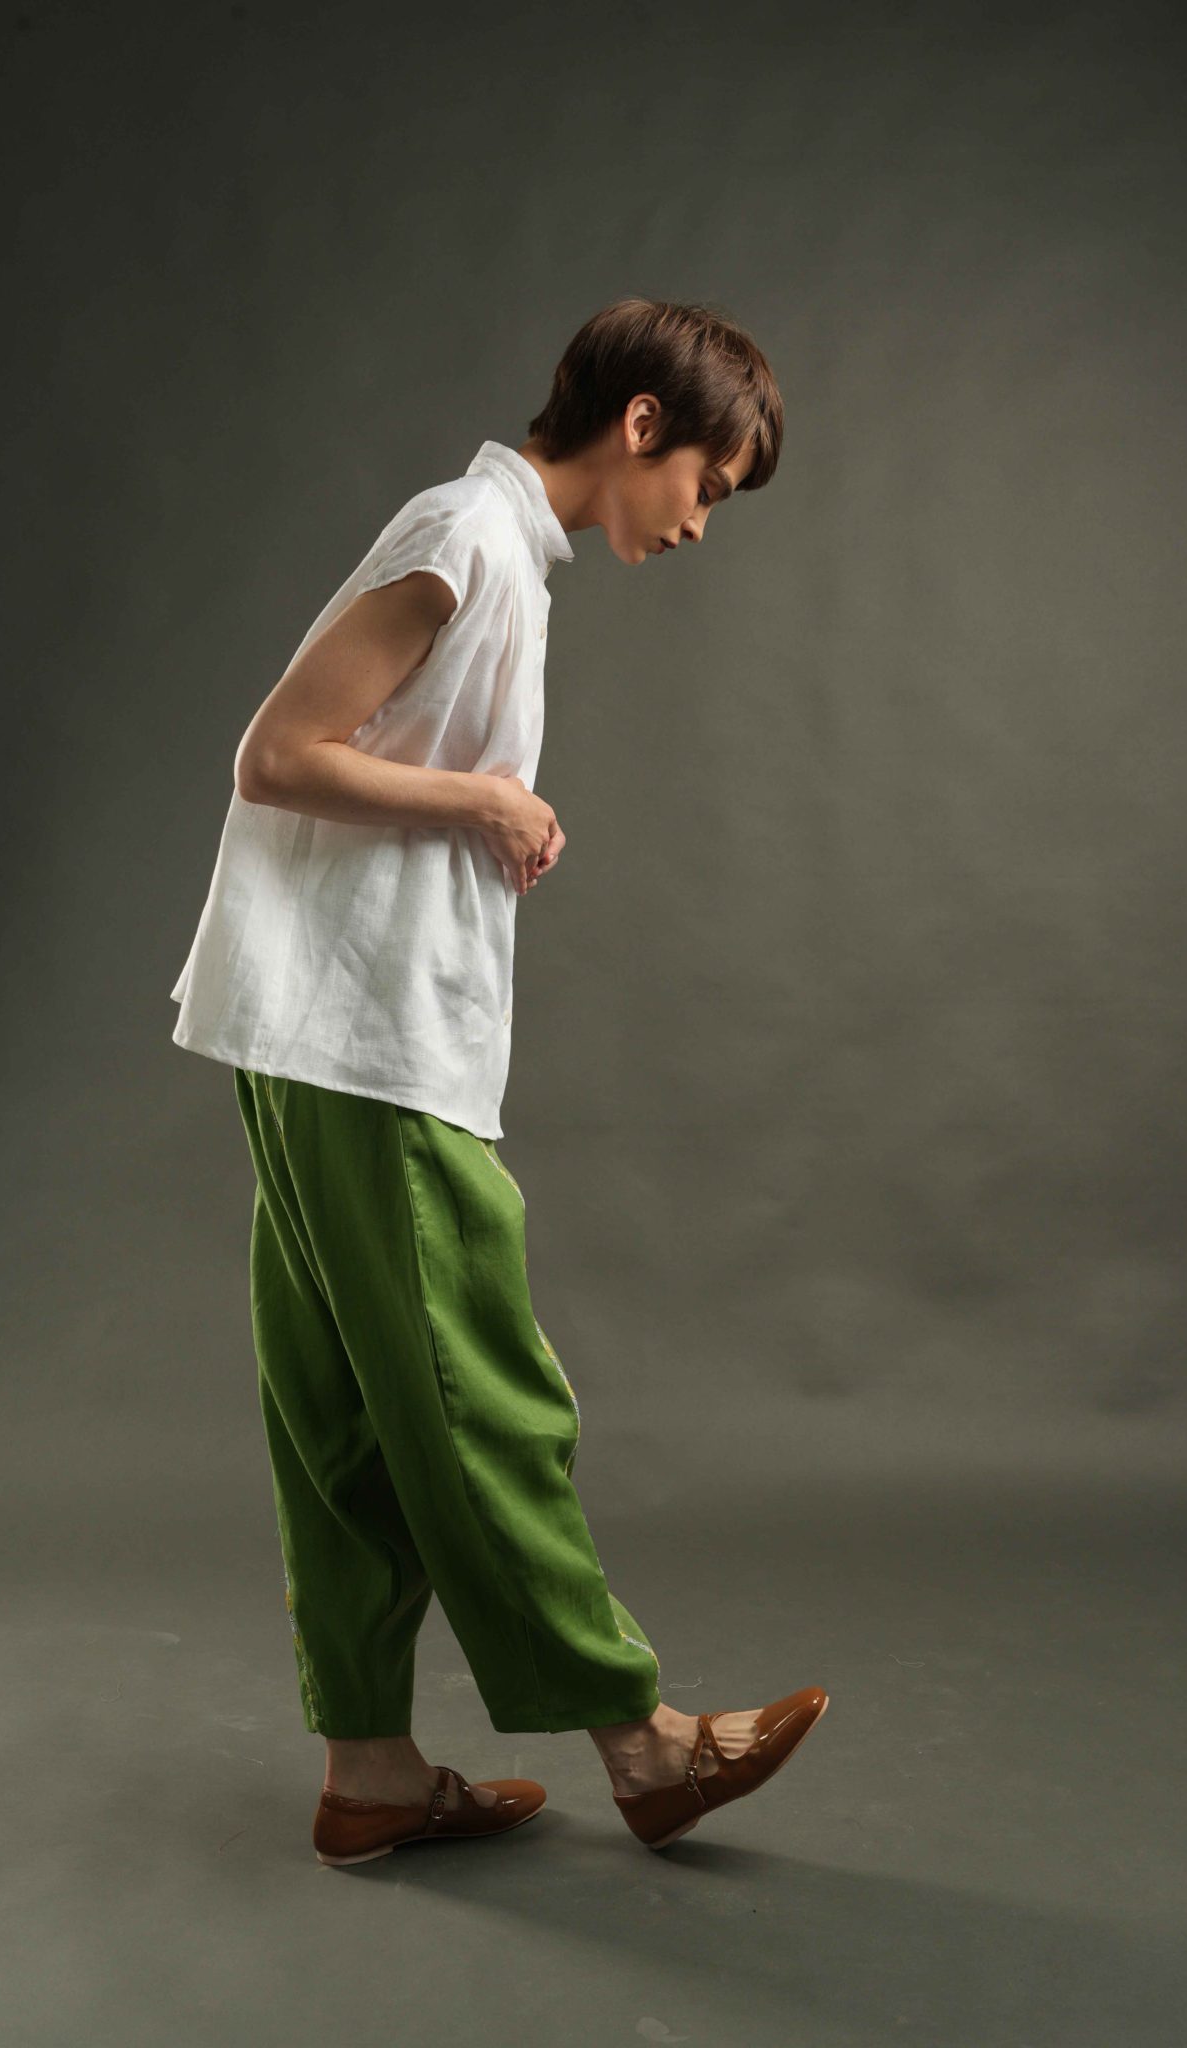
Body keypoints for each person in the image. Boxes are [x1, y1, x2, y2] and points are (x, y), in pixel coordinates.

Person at [168, 295, 827, 1862]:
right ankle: (643, 1744)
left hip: (314, 1035)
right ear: (643, 427)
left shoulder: (502, 556)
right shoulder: (464, 534)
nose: (698, 522)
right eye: (706, 485)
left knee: (341, 1417)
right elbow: (275, 755)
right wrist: (483, 802)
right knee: (483, 1394)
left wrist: (479, 807)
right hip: (362, 1042)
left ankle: (371, 1775)